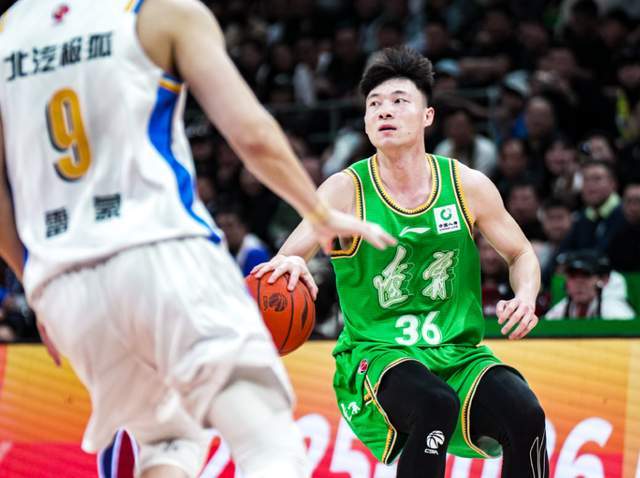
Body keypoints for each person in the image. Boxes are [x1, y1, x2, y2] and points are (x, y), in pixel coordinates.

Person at [0, 1, 395, 478]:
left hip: (63, 285)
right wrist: (317, 211)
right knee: (268, 442)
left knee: (166, 442)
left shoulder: (9, 30)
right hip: (159, 252)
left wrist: (35, 283)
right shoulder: (158, 12)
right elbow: (252, 136)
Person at [253, 47, 548, 478]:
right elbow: (288, 255)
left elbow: (521, 253)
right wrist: (292, 264)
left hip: (458, 354)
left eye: (398, 101)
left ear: (428, 116)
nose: (384, 111)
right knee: (435, 403)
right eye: (374, 104)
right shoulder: (345, 190)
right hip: (377, 355)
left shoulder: (467, 185)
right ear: (365, 122)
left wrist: (525, 295)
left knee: (526, 415)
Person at [545, 250, 635, 320]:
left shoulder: (614, 310)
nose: (578, 283)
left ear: (603, 280)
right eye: (572, 276)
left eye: (586, 275)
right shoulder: (562, 308)